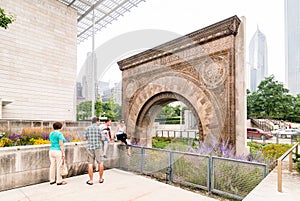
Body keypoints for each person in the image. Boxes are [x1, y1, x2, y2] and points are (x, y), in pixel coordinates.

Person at [84, 117, 104, 185]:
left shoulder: (87, 128)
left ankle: (91, 180)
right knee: (100, 163)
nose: (100, 123)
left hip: (90, 147)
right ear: (97, 121)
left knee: (90, 164)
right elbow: (103, 138)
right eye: (99, 121)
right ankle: (100, 179)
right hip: (98, 147)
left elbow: (84, 138)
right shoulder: (99, 129)